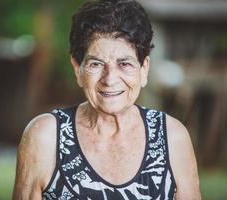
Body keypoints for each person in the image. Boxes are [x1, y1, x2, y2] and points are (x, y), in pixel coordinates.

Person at [13, 0, 201, 199]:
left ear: (144, 68)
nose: (110, 79)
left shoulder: (172, 137)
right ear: (78, 69)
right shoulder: (45, 137)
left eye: (124, 64)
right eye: (96, 64)